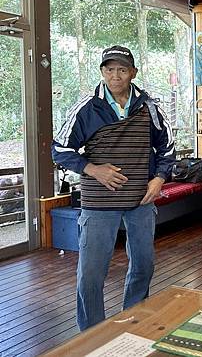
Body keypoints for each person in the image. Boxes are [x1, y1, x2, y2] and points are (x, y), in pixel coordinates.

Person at [51, 46, 175, 331]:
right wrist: (93, 169)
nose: (115, 75)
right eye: (109, 69)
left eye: (121, 69)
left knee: (144, 265)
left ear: (133, 72)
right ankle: (92, 333)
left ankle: (133, 321)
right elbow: (60, 150)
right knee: (91, 273)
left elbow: (166, 148)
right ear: (102, 72)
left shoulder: (150, 107)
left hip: (141, 201)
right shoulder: (86, 108)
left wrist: (158, 179)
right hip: (97, 203)